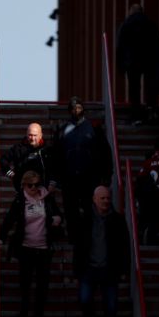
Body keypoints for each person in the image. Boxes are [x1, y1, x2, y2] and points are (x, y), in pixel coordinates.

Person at [0, 171, 62, 317]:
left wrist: (57, 218)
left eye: (37, 185)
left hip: (44, 248)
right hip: (26, 247)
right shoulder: (20, 200)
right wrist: (0, 238)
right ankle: (24, 312)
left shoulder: (47, 198)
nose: (33, 188)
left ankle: (39, 314)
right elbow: (9, 219)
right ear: (23, 185)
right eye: (30, 185)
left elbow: (57, 214)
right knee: (25, 282)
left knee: (42, 283)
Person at [74, 186, 130, 317]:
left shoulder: (118, 220)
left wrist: (124, 268)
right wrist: (76, 269)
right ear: (94, 199)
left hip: (109, 269)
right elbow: (78, 245)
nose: (106, 201)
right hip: (89, 268)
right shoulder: (85, 219)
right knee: (84, 299)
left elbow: (124, 246)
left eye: (107, 198)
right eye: (102, 198)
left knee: (111, 307)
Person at [52, 96, 111, 243]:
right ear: (69, 111)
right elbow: (55, 155)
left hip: (89, 177)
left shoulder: (94, 128)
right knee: (71, 210)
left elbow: (106, 153)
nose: (76, 110)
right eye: (73, 108)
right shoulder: (62, 130)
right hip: (69, 178)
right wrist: (56, 178)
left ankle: (91, 236)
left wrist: (107, 175)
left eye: (78, 107)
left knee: (89, 208)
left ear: (83, 109)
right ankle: (74, 238)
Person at [116, 4, 159, 124]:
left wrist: (121, 66)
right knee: (151, 86)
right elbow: (158, 43)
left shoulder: (125, 24)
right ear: (141, 12)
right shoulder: (150, 23)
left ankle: (136, 114)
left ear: (131, 12)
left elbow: (120, 47)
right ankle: (151, 110)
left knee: (134, 88)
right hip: (149, 60)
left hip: (132, 62)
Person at [0, 122, 56, 192]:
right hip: (23, 191)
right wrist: (11, 174)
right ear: (26, 135)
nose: (32, 138)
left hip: (44, 190)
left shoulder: (48, 150)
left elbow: (56, 167)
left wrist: (52, 183)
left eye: (35, 135)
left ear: (41, 135)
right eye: (30, 135)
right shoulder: (18, 149)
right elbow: (3, 160)